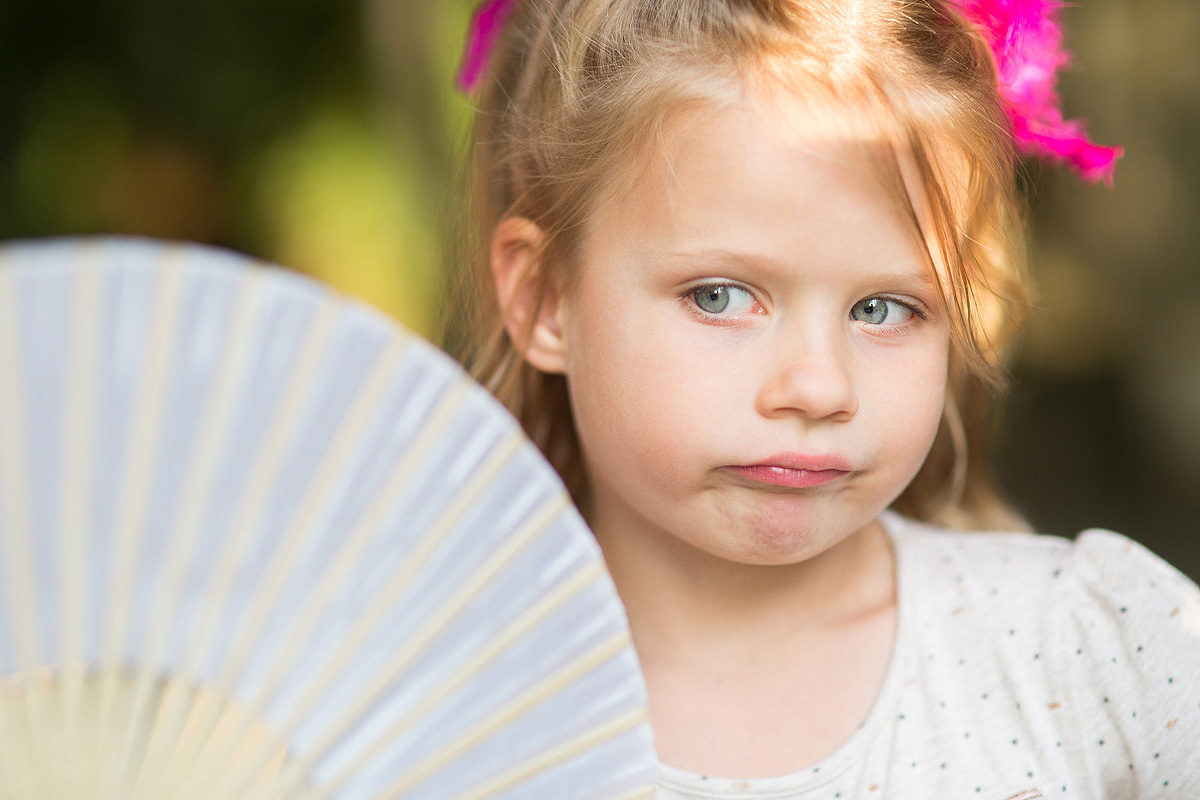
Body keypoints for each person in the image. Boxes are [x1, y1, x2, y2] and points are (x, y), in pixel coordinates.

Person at [448, 0, 1200, 796]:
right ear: (543, 300)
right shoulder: (433, 718)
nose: (819, 387)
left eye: (883, 309)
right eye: (720, 296)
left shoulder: (1093, 652)